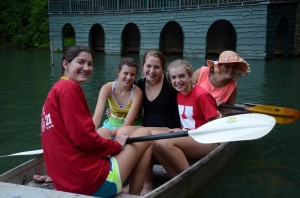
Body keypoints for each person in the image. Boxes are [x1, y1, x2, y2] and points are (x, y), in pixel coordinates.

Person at [39, 45, 152, 197]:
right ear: (66, 64)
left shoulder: (56, 90)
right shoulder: (69, 89)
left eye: (90, 64)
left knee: (105, 134)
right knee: (145, 135)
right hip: (90, 183)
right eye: (81, 62)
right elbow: (84, 139)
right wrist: (116, 145)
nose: (86, 68)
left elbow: (81, 135)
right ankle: (135, 193)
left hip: (64, 182)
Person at [117, 49, 181, 195]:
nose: (151, 71)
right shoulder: (139, 84)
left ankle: (147, 183)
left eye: (156, 67)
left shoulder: (171, 82)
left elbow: (190, 90)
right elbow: (129, 105)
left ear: (163, 68)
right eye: (148, 66)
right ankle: (134, 181)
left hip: (169, 130)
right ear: (143, 66)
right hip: (148, 129)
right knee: (124, 131)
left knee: (146, 137)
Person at [153, 59, 219, 177]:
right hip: (188, 137)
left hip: (205, 141)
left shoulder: (201, 95)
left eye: (182, 76)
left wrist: (187, 132)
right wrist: (185, 132)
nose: (177, 81)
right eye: (173, 78)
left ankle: (191, 176)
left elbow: (214, 128)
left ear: (190, 77)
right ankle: (175, 178)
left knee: (164, 143)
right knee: (152, 142)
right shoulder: (179, 95)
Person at [92, 57, 142, 139]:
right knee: (100, 133)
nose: (129, 77)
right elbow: (97, 117)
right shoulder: (107, 88)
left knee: (107, 136)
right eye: (125, 73)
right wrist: (91, 133)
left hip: (130, 128)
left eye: (132, 74)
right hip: (109, 126)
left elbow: (127, 124)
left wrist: (109, 135)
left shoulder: (137, 93)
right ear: (118, 72)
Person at [192, 50, 250, 116]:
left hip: (211, 116)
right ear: (219, 66)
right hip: (193, 110)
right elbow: (188, 91)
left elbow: (229, 108)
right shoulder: (202, 72)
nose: (231, 69)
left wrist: (219, 111)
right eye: (227, 66)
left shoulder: (233, 86)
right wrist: (209, 101)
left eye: (234, 67)